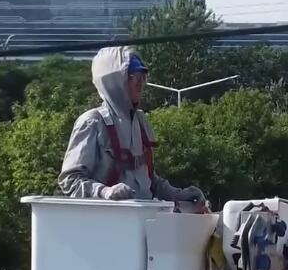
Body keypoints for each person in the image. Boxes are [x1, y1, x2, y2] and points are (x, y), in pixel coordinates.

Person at [58, 46, 208, 212]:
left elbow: (148, 180)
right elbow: (70, 180)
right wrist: (104, 192)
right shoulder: (92, 122)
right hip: (105, 220)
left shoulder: (141, 122)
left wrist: (177, 194)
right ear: (114, 82)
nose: (141, 83)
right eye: (133, 76)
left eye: (143, 76)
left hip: (142, 219)